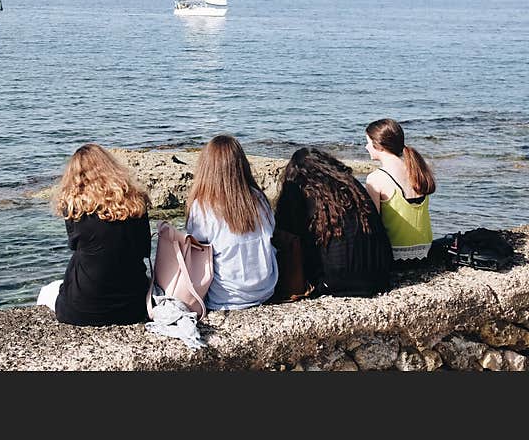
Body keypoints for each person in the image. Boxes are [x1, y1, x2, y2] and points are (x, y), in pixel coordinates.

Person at [36, 143, 151, 326]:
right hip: (133, 306)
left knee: (46, 291)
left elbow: (74, 246)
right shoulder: (137, 201)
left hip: (82, 309)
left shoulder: (74, 208)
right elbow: (144, 248)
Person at [274, 148, 392, 296]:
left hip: (335, 282)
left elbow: (288, 235)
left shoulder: (302, 190)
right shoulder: (351, 185)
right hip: (378, 276)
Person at [184, 135, 278, 309]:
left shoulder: (203, 206)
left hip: (226, 298)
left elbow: (195, 250)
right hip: (265, 290)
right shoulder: (258, 198)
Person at [364, 118, 436, 261]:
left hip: (395, 254)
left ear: (379, 145)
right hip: (426, 250)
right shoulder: (417, 169)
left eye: (368, 142)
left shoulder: (376, 178)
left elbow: (374, 223)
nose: (366, 147)